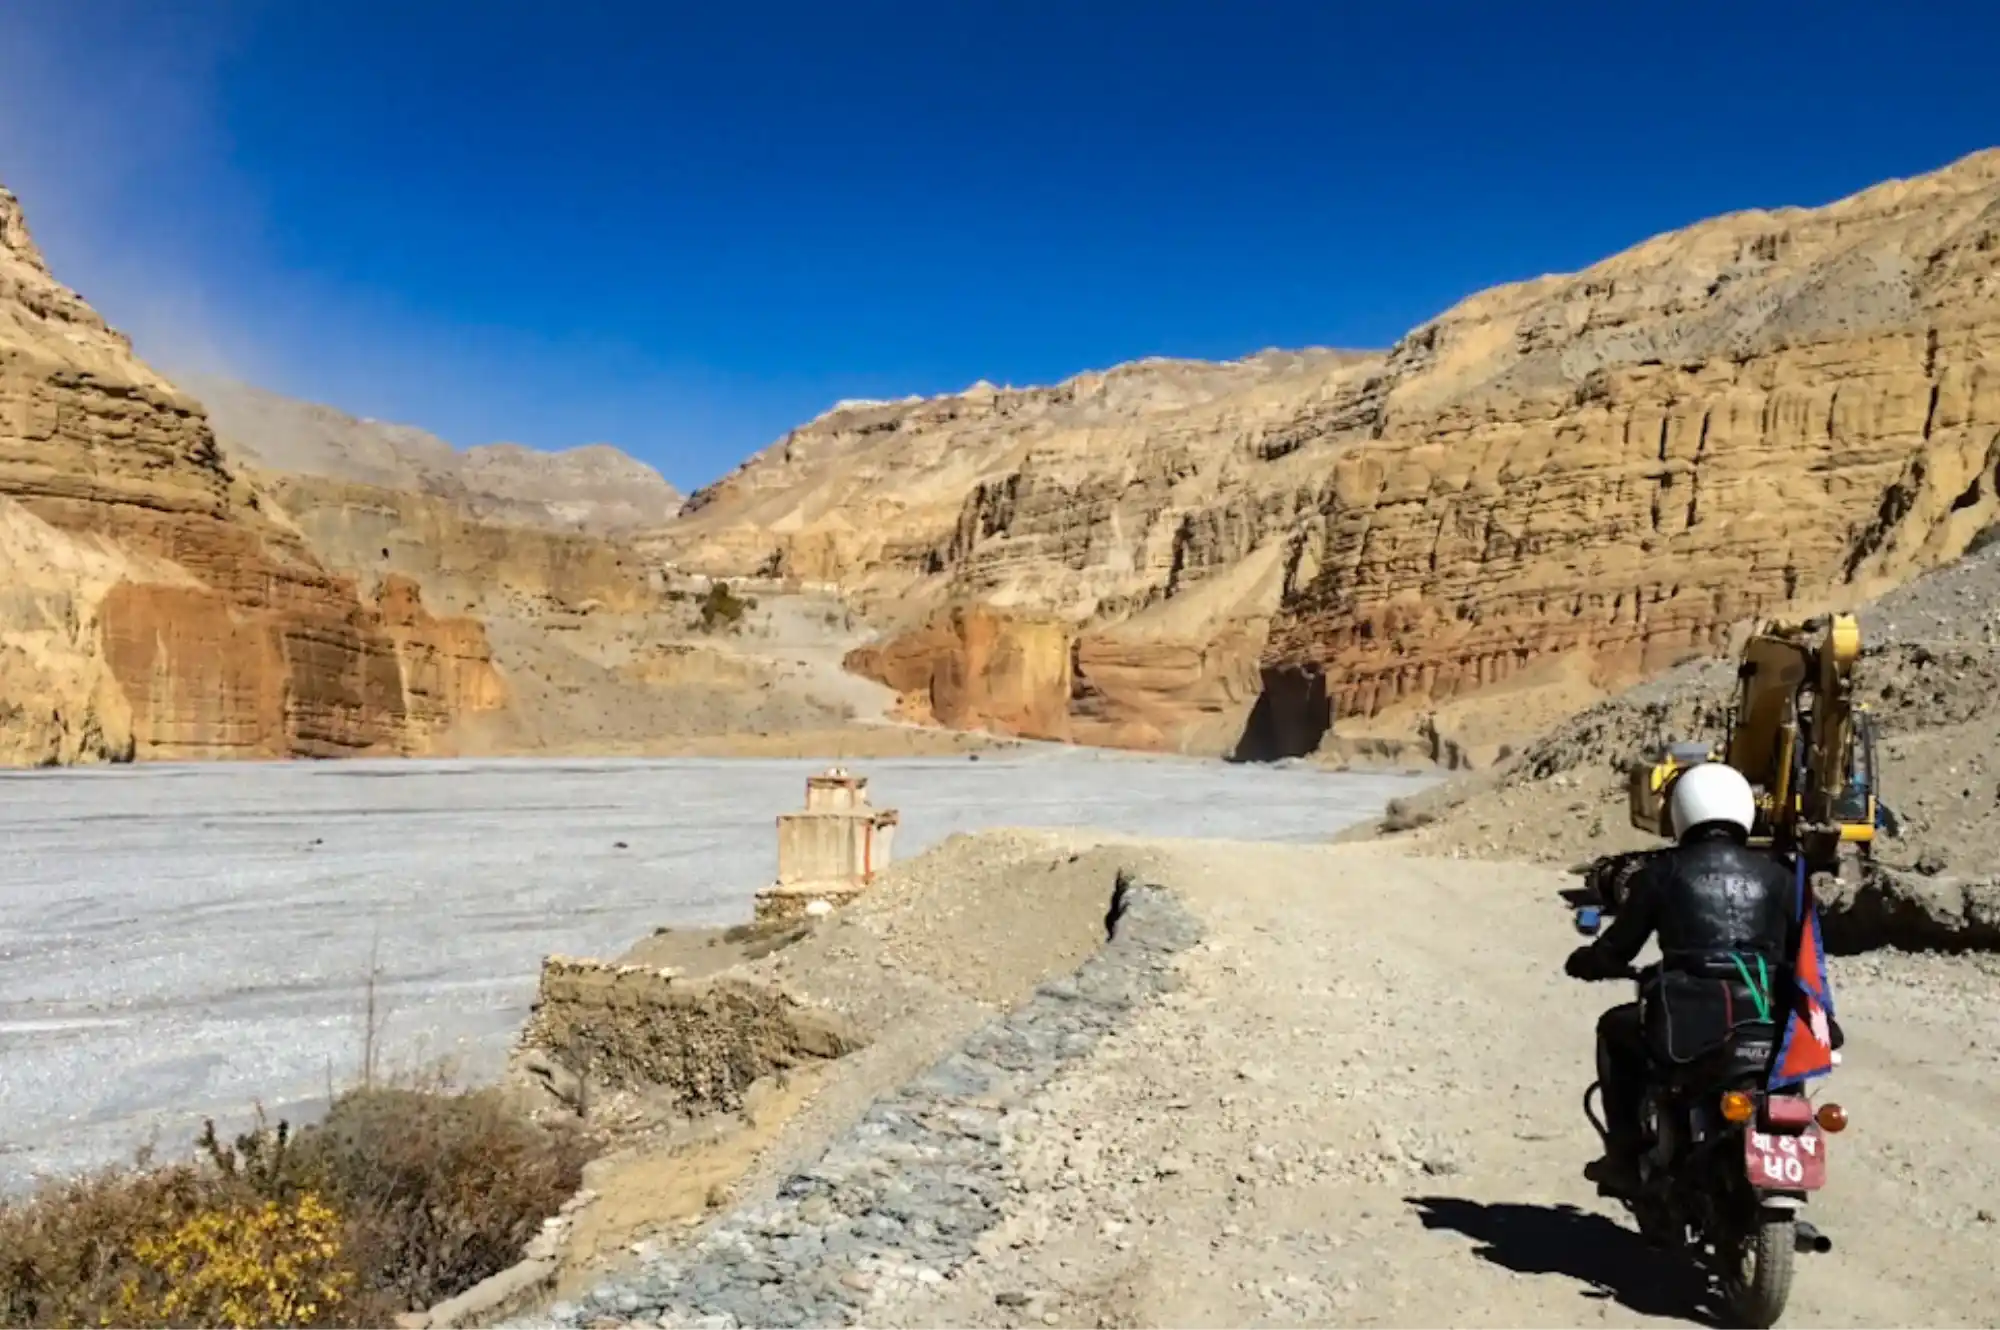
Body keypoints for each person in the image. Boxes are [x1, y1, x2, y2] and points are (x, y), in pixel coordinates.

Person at [1563, 761, 1794, 1196]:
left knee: (1616, 1029)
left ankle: (1626, 1155)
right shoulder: (1781, 877)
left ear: (1681, 810)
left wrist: (1589, 961)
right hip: (1768, 1014)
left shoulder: (1662, 872)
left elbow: (1619, 947)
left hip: (1689, 1019)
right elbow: (1806, 957)